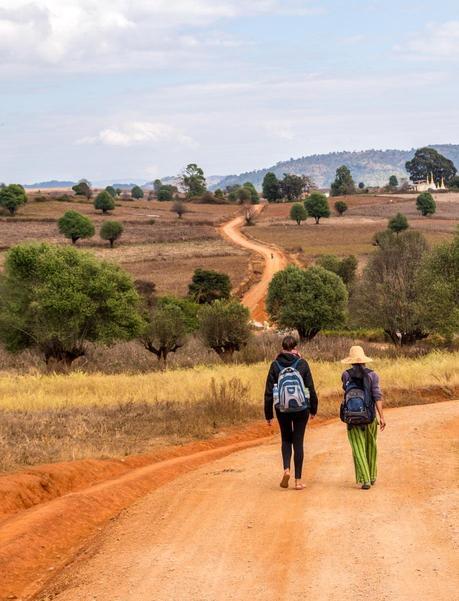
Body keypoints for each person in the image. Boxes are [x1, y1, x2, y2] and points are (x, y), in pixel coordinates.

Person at [264, 335, 318, 490]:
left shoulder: (275, 364)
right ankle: (298, 481)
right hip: (302, 408)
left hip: (282, 408)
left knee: (286, 439)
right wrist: (313, 408)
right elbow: (310, 388)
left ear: (282, 347)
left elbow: (268, 392)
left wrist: (268, 414)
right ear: (295, 347)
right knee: (298, 441)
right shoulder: (302, 363)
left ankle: (286, 469)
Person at [341, 346, 386, 490]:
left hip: (352, 418)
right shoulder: (373, 375)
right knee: (371, 445)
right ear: (364, 360)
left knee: (358, 447)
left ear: (350, 361)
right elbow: (377, 397)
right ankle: (372, 476)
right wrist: (382, 416)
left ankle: (365, 479)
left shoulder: (346, 375)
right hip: (370, 416)